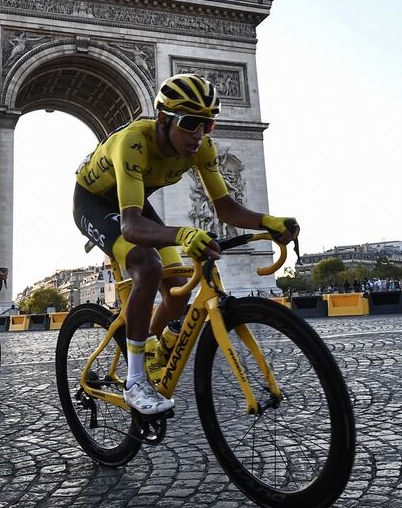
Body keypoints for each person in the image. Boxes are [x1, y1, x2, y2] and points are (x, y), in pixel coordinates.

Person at [72, 73, 299, 415]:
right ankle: (135, 381)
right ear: (163, 120)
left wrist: (267, 221)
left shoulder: (201, 147)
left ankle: (152, 346)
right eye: (190, 123)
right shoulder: (133, 142)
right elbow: (132, 226)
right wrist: (183, 234)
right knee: (148, 266)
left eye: (208, 124)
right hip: (94, 202)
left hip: (133, 200)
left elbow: (225, 208)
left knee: (177, 291)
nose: (199, 134)